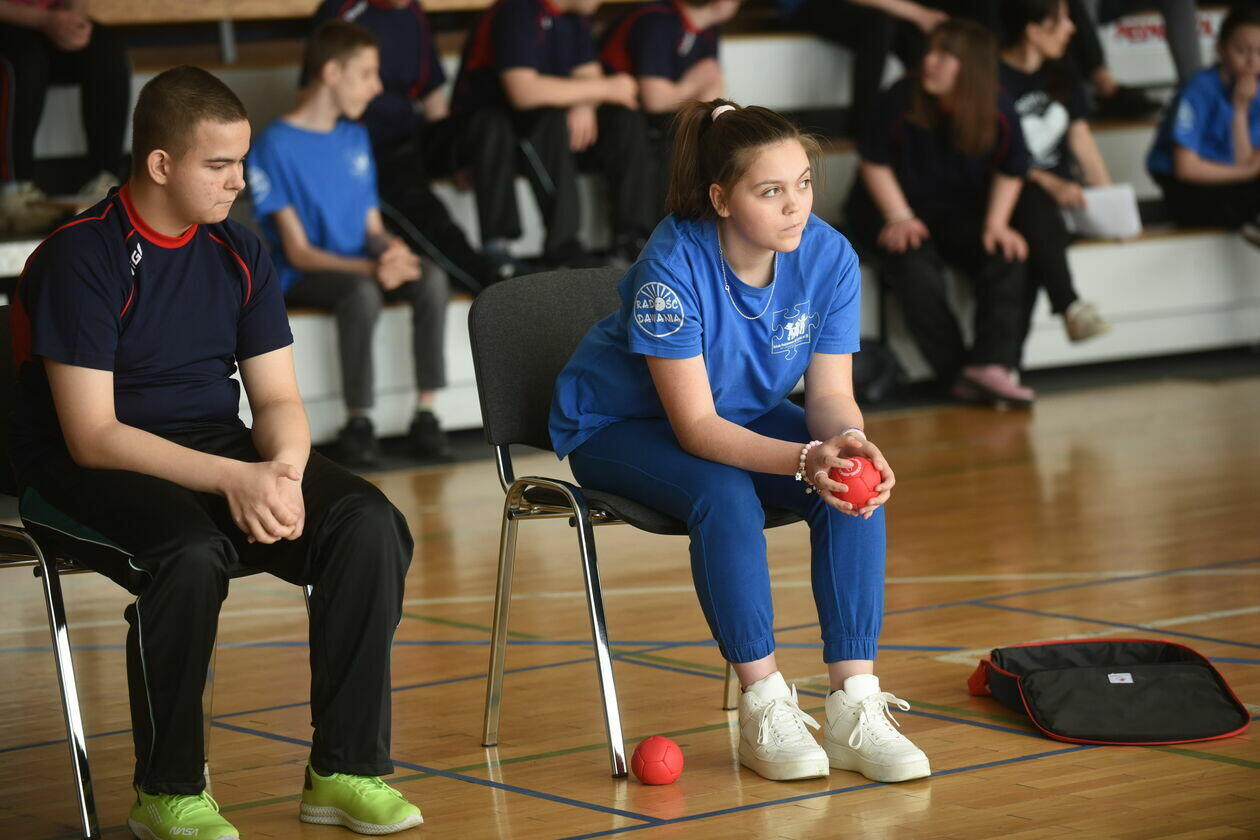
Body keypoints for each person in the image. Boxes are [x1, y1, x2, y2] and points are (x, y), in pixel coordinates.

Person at [10, 66, 422, 839]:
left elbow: (277, 401)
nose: (239, 180)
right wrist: (237, 479)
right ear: (160, 163)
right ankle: (167, 791)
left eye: (242, 162)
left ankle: (344, 771)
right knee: (189, 555)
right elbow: (93, 436)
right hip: (75, 470)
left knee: (367, 523)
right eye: (220, 164)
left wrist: (283, 474)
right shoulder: (83, 254)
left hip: (212, 447)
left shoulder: (240, 249)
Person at [550, 99, 931, 785]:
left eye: (804, 183)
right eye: (771, 191)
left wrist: (847, 441)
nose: (796, 205)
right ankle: (764, 705)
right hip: (619, 425)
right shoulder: (672, 268)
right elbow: (696, 428)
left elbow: (828, 396)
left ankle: (853, 703)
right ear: (721, 199)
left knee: (850, 476)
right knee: (724, 494)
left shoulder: (830, 255)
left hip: (737, 413)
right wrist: (803, 459)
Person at [250, 20, 451, 467]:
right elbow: (298, 252)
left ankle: (426, 413)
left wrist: (391, 251)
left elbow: (371, 227)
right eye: (367, 74)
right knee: (361, 293)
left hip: (363, 264)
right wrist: (373, 270)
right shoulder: (273, 146)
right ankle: (359, 420)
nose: (377, 87)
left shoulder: (355, 136)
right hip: (306, 274)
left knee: (431, 278)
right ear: (331, 73)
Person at [846, 18, 1035, 406]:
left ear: (972, 68)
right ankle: (956, 375)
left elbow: (1013, 167)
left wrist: (997, 224)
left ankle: (992, 365)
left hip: (954, 213)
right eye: (930, 51)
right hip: (887, 210)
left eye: (945, 56)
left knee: (1006, 254)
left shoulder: (998, 107)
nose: (929, 61)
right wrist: (898, 216)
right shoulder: (901, 96)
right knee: (913, 263)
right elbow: (873, 161)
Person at [313, 0, 516, 290]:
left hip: (416, 134)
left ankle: (498, 248)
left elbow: (430, 91)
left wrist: (454, 153)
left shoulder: (413, 12)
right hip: (375, 148)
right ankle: (491, 284)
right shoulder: (341, 9)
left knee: (490, 122)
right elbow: (318, 92)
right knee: (430, 217)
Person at [451, 0, 658, 266]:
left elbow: (591, 77)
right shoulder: (518, 9)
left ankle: (632, 240)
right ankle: (563, 246)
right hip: (495, 139)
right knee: (549, 118)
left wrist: (585, 102)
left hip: (554, 134)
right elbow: (524, 92)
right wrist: (601, 90)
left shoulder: (574, 17)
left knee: (624, 118)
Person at [1000, 0, 1113, 345]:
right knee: (1032, 205)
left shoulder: (1063, 72)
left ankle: (1004, 364)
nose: (1071, 28)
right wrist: (1047, 182)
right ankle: (1069, 306)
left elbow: (1081, 140)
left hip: (1060, 203)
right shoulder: (992, 77)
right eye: (1061, 20)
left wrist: (1110, 204)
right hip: (1007, 198)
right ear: (1033, 31)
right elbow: (995, 159)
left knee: (1036, 236)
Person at [0, 0, 130, 233]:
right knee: (24, 56)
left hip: (50, 24)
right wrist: (45, 20)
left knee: (105, 47)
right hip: (13, 25)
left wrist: (73, 22)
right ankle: (13, 193)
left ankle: (105, 185)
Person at [600, 0, 739, 214]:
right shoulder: (657, 19)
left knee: (703, 127)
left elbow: (709, 95)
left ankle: (698, 220)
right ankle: (652, 228)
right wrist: (692, 84)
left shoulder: (708, 29)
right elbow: (654, 100)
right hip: (610, 116)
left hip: (655, 118)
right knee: (666, 131)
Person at [1147, 3, 1260, 243]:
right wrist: (1246, 173)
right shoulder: (1199, 89)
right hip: (1187, 185)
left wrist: (1240, 111)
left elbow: (1246, 163)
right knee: (1238, 204)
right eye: (1241, 50)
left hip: (1233, 179)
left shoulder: (1256, 93)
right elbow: (1186, 168)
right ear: (1221, 48)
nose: (1251, 61)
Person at [779, 0, 948, 137]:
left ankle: (925, 122)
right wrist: (919, 14)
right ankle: (865, 132)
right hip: (804, 5)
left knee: (912, 35)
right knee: (877, 25)